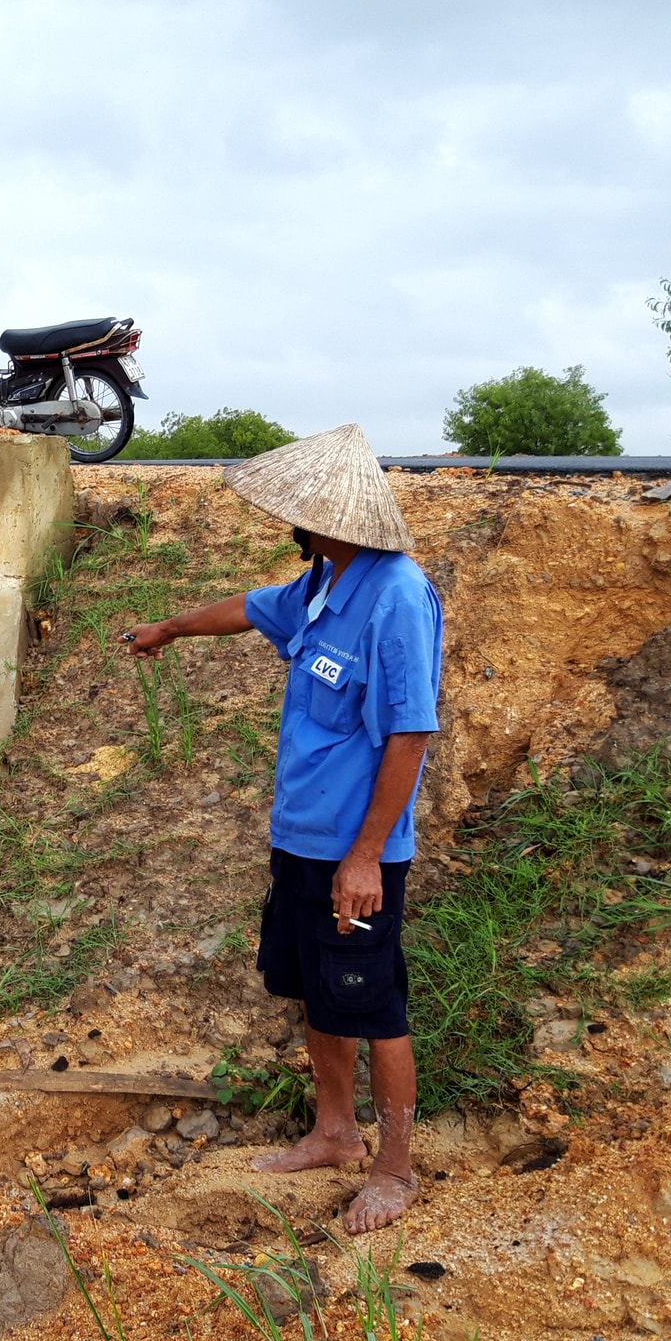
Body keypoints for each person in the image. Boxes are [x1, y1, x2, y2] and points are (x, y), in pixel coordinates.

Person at [123, 424, 443, 1234]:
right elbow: (248, 609)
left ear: (330, 515)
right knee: (314, 989)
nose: (289, 524)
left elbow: (410, 734)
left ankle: (395, 1167)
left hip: (354, 855)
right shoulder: (322, 583)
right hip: (299, 843)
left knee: (374, 1004)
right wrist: (169, 628)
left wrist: (366, 855)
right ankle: (335, 1132)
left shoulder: (398, 596)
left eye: (298, 513)